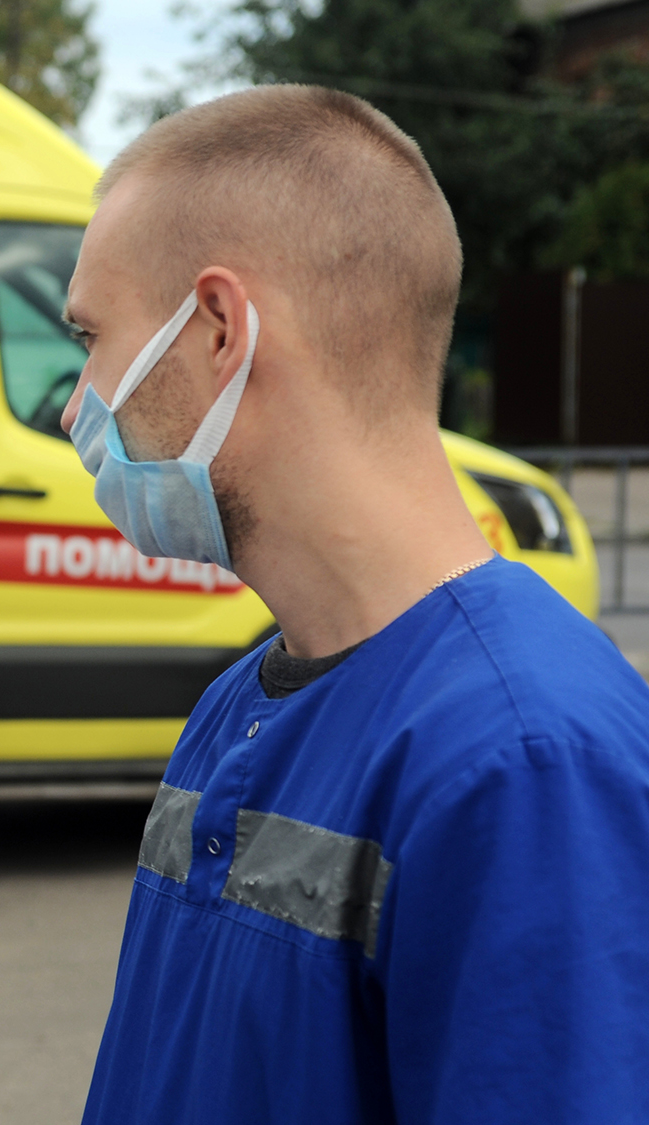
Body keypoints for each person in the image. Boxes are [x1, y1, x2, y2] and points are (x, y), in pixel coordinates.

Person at [61, 86, 649, 1123]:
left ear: (218, 329)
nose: (78, 405)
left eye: (90, 339)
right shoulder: (238, 704)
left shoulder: (523, 757)